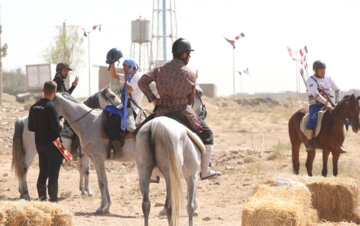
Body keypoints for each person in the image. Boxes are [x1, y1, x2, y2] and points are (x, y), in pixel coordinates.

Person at [138, 38, 222, 180]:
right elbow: (190, 100)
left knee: (142, 134)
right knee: (208, 134)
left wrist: (153, 99)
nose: (189, 57)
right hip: (183, 112)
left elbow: (142, 82)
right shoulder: (190, 74)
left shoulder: (159, 69)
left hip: (161, 112)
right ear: (183, 55)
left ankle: (151, 173)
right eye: (189, 54)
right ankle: (206, 170)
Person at [28, 81, 64, 202]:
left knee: (43, 172)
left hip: (40, 144)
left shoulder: (34, 107)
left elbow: (30, 127)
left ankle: (42, 201)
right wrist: (61, 123)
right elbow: (57, 128)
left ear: (43, 90)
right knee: (53, 175)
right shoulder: (51, 107)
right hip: (53, 145)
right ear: (54, 92)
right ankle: (53, 202)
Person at [305, 60, 345, 153]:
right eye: (321, 69)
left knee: (344, 120)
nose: (323, 71)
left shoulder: (328, 78)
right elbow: (315, 94)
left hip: (330, 104)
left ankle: (340, 143)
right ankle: (310, 143)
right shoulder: (310, 80)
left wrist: (337, 102)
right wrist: (326, 103)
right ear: (315, 70)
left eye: (324, 69)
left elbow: (337, 90)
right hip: (316, 105)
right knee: (312, 120)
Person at [110, 59, 144, 132]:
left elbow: (129, 89)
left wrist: (125, 79)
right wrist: (112, 62)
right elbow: (114, 75)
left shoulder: (137, 77)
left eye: (125, 66)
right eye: (123, 66)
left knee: (113, 123)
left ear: (131, 67)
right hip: (124, 107)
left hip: (132, 110)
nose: (123, 68)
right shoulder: (129, 76)